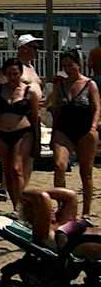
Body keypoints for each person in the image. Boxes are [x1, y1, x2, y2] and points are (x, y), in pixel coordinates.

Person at [0, 57, 42, 209]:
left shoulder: (29, 92)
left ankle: (23, 206)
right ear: (4, 74)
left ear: (20, 73)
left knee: (17, 169)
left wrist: (37, 141)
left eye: (15, 74)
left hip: (23, 133)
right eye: (9, 74)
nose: (12, 77)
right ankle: (16, 206)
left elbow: (35, 118)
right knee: (8, 171)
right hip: (2, 133)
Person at [50, 49, 99, 217]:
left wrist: (93, 127)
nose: (67, 69)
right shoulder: (60, 84)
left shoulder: (89, 84)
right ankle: (62, 208)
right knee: (59, 166)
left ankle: (86, 212)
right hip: (63, 130)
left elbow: (97, 108)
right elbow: (55, 108)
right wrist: (53, 132)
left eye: (70, 65)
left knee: (86, 173)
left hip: (85, 130)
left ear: (79, 65)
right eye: (64, 66)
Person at [19, 187, 101, 260]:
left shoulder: (62, 221)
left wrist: (45, 193)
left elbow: (70, 195)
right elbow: (40, 196)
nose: (52, 209)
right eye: (47, 207)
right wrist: (43, 196)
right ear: (35, 214)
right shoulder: (44, 231)